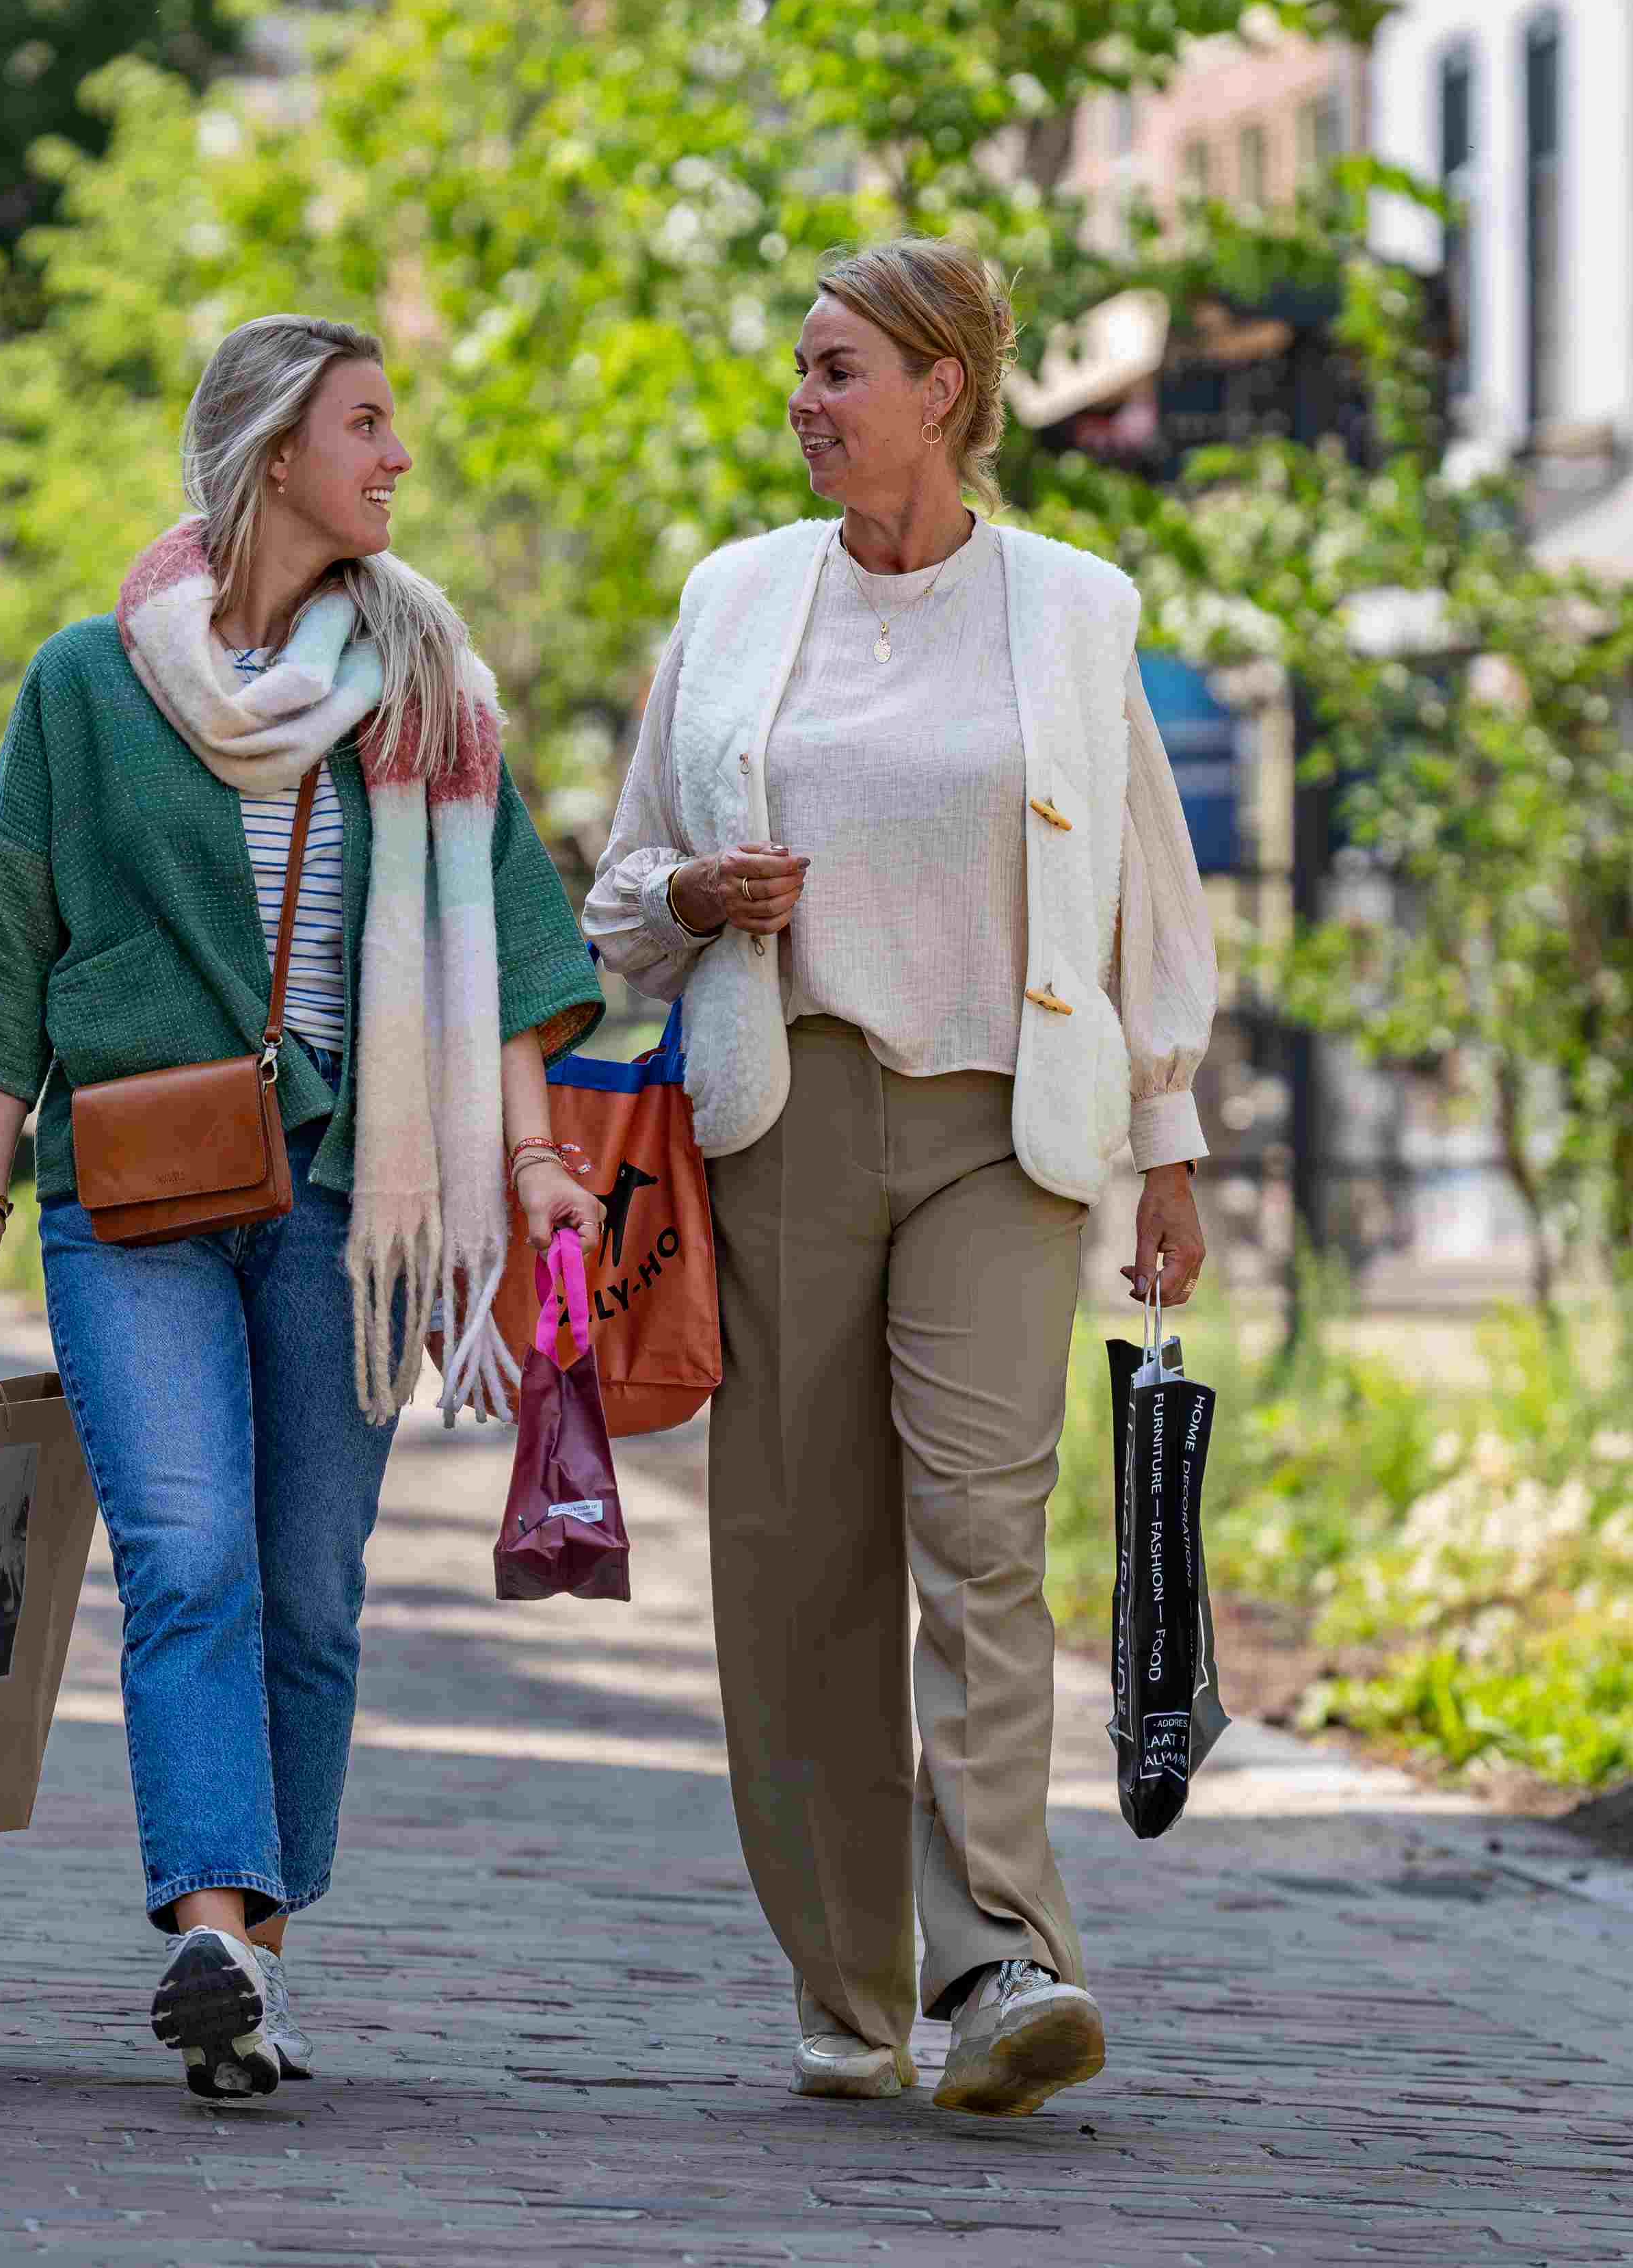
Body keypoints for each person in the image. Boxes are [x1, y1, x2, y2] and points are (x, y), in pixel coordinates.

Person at [0, 313, 604, 2102]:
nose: (394, 459)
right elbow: (10, 941)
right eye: (365, 426)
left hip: (347, 1202)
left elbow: (513, 944)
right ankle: (211, 1924)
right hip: (134, 1195)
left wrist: (532, 1161)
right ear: (273, 451)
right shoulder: (87, 682)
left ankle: (256, 1971)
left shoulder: (425, 685)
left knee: (310, 1594)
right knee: (188, 1555)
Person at [586, 238, 1218, 2118]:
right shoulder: (734, 601)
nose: (804, 400)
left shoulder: (1072, 612)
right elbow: (626, 887)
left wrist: (1165, 1138)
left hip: (1002, 1130)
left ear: (943, 388)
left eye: (838, 368)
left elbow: (1141, 896)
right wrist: (700, 899)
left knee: (981, 1536)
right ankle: (846, 1986)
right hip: (784, 1109)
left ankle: (999, 1959)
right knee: (797, 1568)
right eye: (798, 369)